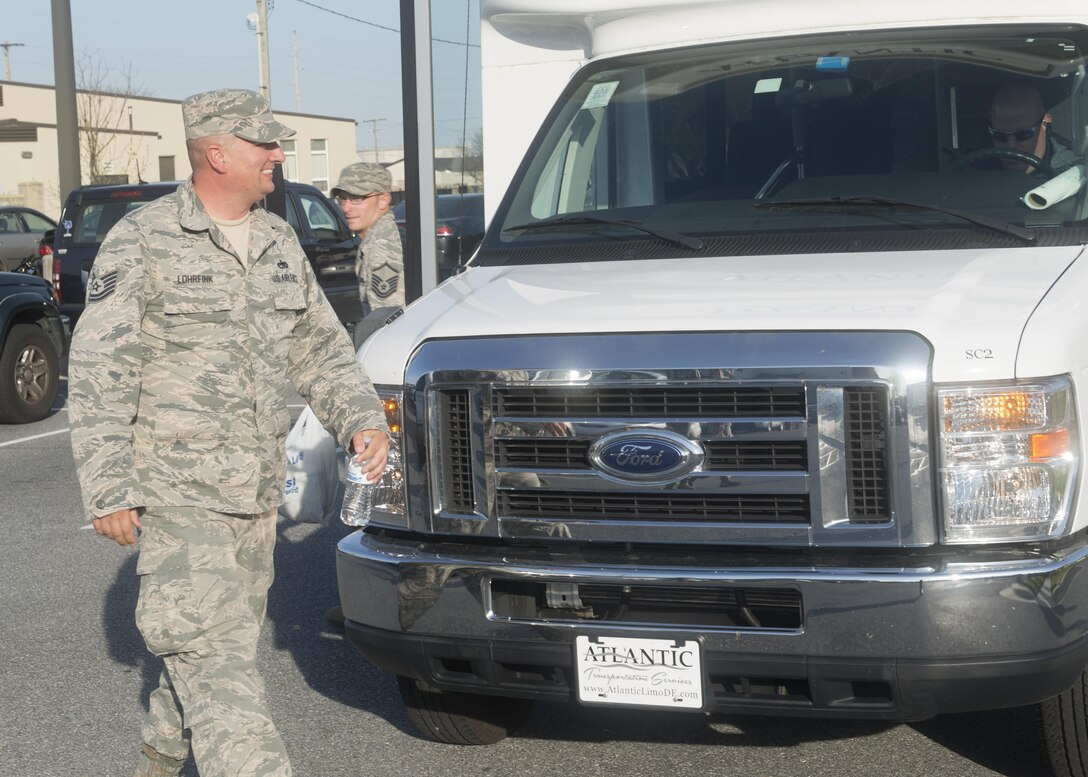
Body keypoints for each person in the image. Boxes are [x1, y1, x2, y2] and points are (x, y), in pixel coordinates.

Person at [67, 88, 390, 777]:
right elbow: (100, 366)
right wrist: (107, 485)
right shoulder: (145, 239)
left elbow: (317, 345)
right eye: (262, 144)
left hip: (255, 495)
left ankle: (158, 759)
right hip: (179, 496)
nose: (278, 154)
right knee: (220, 676)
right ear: (218, 152)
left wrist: (359, 416)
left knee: (215, 652)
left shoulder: (276, 239)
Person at [330, 162, 405, 349]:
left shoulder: (381, 247)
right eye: (343, 199)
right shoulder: (376, 238)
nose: (346, 208)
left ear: (383, 200)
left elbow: (386, 319)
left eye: (356, 199)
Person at [989, 83, 1079, 174]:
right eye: (1000, 136)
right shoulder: (978, 167)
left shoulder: (1075, 174)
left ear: (1046, 125)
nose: (1011, 146)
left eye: (1023, 134)